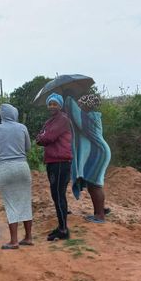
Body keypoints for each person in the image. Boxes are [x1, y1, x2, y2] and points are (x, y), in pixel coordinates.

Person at [0, 104, 33, 249]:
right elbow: (28, 148)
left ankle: (14, 241)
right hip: (22, 167)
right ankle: (28, 237)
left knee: (11, 204)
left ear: (2, 115)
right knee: (25, 201)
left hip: (6, 169)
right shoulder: (22, 128)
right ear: (15, 113)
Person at [65, 93, 111, 223]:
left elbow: (74, 113)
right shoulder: (90, 117)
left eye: (81, 104)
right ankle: (99, 211)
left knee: (95, 184)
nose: (79, 105)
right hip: (98, 152)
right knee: (93, 184)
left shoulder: (89, 119)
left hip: (99, 153)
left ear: (87, 105)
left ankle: (100, 215)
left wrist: (68, 98)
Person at [35, 93, 73, 241]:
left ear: (60, 105)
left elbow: (46, 137)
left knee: (58, 195)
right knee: (57, 195)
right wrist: (42, 136)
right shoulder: (51, 120)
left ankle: (63, 230)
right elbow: (41, 136)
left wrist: (42, 137)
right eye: (50, 104)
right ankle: (61, 226)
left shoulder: (62, 119)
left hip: (60, 162)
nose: (52, 106)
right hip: (54, 161)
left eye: (55, 104)